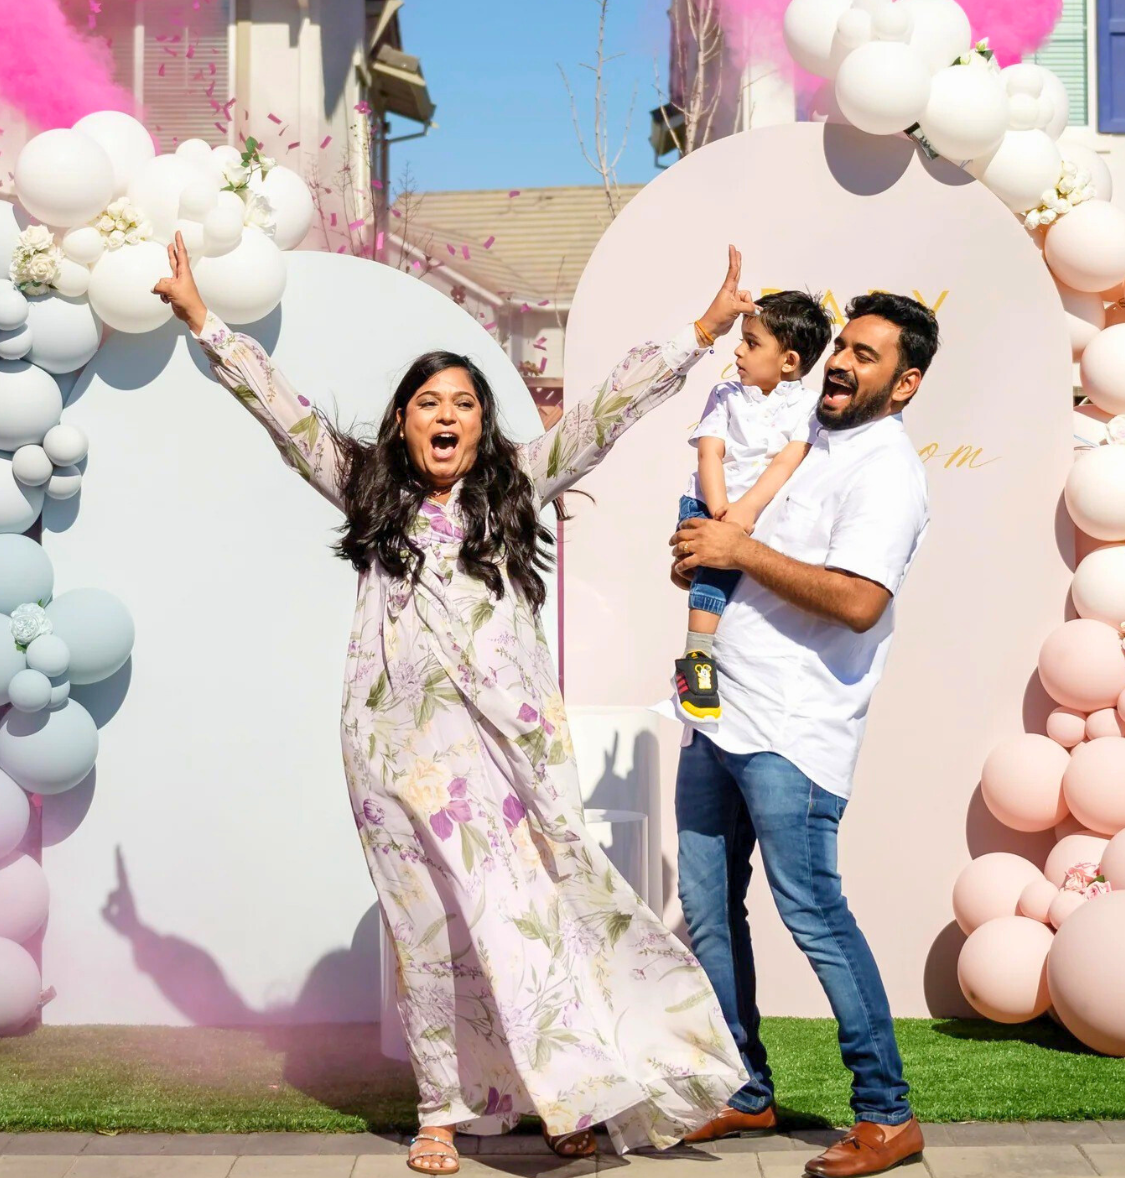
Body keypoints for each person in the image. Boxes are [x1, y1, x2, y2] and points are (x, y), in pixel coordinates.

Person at [152, 233, 754, 1174]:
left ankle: (570, 1094)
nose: (446, 416)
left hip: (505, 762)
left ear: (483, 425)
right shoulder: (367, 493)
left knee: (533, 919)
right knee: (425, 935)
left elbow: (608, 410)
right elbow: (284, 412)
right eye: (428, 402)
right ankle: (440, 1110)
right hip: (391, 756)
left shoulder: (520, 487)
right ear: (402, 422)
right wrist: (202, 319)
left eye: (463, 404)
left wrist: (702, 331)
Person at [668, 292, 940, 1178]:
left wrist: (739, 553)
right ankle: (745, 1089)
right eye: (842, 348)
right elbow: (740, 543)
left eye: (866, 356)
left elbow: (859, 602)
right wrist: (703, 554)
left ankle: (887, 1114)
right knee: (709, 910)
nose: (842, 364)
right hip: (719, 710)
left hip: (793, 729)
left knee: (814, 914)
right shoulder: (804, 438)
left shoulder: (887, 470)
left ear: (905, 384)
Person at [670, 290, 831, 726]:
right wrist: (722, 510)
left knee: (751, 581)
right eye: (741, 339)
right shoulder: (725, 394)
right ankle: (697, 659)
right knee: (714, 575)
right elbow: (709, 453)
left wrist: (746, 510)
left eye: (752, 342)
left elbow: (786, 462)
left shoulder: (809, 408)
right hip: (708, 501)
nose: (738, 350)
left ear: (789, 361)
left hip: (756, 513)